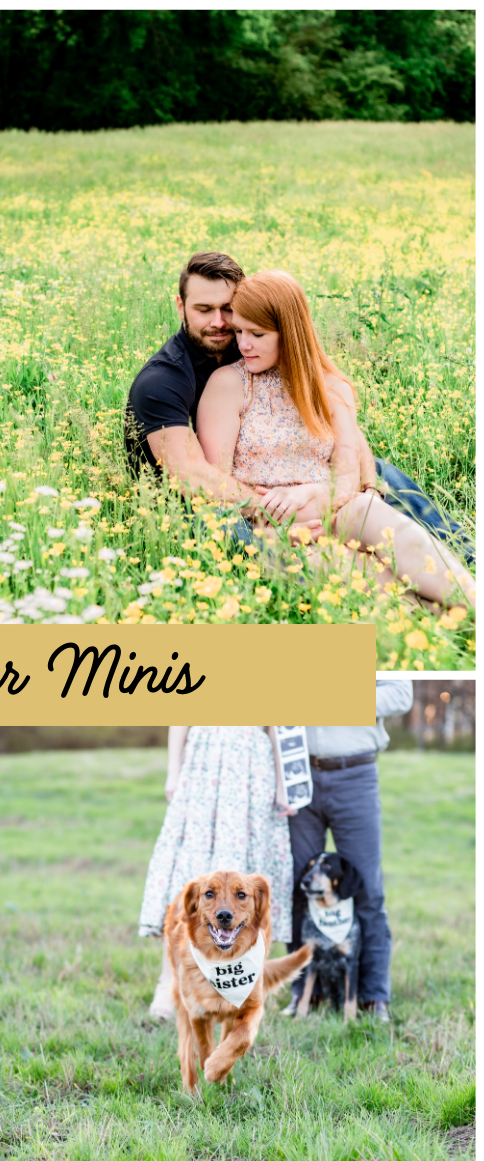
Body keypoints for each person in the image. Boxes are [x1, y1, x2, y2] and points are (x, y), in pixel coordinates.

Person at [126, 252, 474, 563]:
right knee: (223, 525)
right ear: (180, 305)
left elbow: (343, 429)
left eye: (228, 309)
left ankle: (462, 557)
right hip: (190, 500)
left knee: (380, 471)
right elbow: (189, 474)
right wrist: (281, 512)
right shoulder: (162, 380)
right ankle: (295, 572)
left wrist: (355, 488)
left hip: (270, 481)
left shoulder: (247, 341)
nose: (219, 322)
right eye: (204, 309)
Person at [196, 271, 475, 608]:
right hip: (272, 525)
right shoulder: (228, 384)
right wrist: (265, 529)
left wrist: (316, 493)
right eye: (239, 331)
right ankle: (454, 619)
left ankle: (474, 601)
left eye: (257, 333)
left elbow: (348, 474)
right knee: (375, 579)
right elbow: (216, 484)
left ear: (290, 332)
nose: (243, 344)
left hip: (334, 506)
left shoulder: (332, 386)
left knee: (390, 529)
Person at [139, 726, 294, 1020]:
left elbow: (275, 725)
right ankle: (168, 983)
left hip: (253, 769)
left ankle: (239, 985)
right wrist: (174, 771)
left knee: (244, 886)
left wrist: (282, 785)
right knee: (189, 877)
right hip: (204, 765)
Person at [283, 678, 414, 1023]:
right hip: (297, 773)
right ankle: (305, 994)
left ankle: (373, 997)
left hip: (354, 773)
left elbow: (401, 694)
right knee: (297, 889)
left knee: (367, 891)